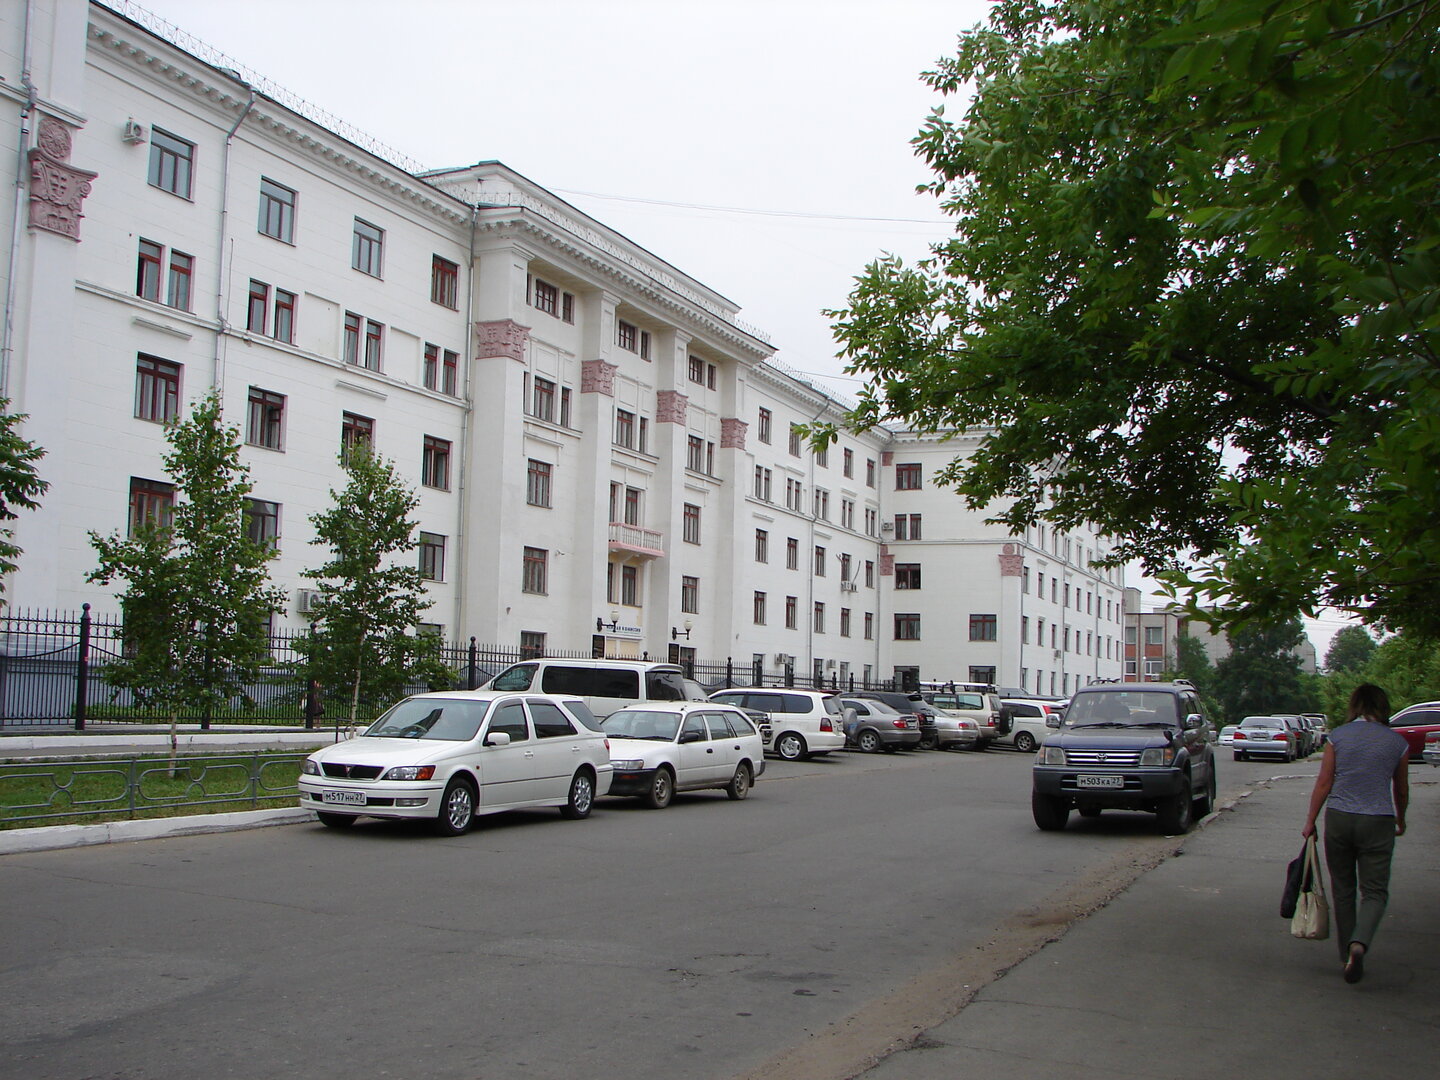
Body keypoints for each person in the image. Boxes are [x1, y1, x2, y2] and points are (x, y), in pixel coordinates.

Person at [1301, 683, 1409, 984]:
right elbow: (1401, 789)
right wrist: (1401, 819)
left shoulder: (1338, 736)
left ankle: (1345, 955)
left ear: (1355, 705)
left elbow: (1324, 782)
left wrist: (1310, 820)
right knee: (1375, 891)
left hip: (1339, 817)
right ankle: (1359, 943)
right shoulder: (1397, 742)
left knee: (1343, 888)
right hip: (1378, 820)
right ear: (1382, 706)